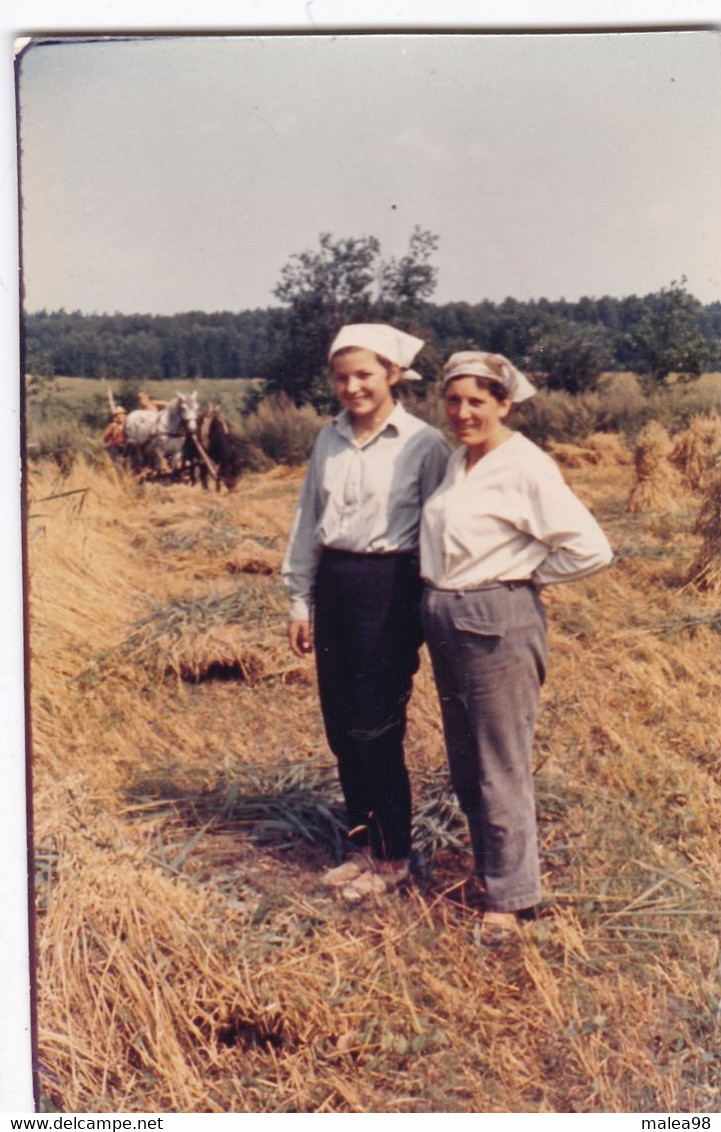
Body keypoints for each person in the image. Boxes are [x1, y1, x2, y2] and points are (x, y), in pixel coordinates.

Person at [419, 351, 613, 940]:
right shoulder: (458, 462)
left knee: (498, 760)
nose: (463, 412)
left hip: (495, 617)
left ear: (505, 403)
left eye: (478, 401)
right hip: (447, 615)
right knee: (465, 758)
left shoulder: (525, 464)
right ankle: (491, 873)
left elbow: (590, 548)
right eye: (454, 400)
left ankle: (512, 901)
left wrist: (520, 576)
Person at [282, 323, 450, 902]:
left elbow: (440, 527)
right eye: (342, 376)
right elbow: (308, 520)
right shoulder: (328, 439)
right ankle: (363, 845)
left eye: (364, 375)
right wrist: (300, 599)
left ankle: (393, 855)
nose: (352, 387)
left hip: (390, 586)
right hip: (335, 583)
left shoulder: (423, 444)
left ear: (393, 376)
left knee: (377, 724)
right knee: (342, 724)